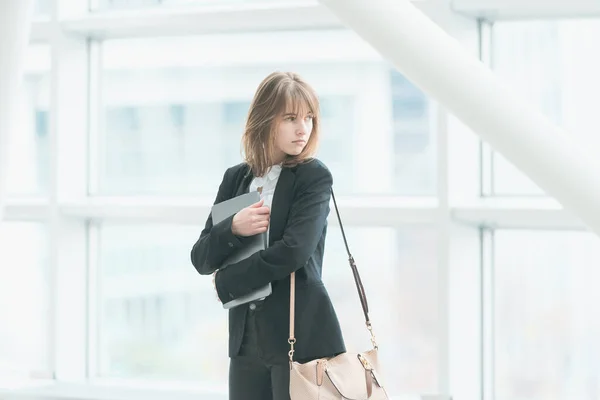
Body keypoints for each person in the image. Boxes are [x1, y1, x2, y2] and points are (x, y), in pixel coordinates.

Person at [190, 71, 346, 400]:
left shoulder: (312, 177)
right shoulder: (236, 179)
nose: (303, 128)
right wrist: (233, 227)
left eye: (308, 118)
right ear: (265, 119)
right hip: (246, 340)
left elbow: (294, 251)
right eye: (290, 118)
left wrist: (226, 281)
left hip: (299, 337)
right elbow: (202, 256)